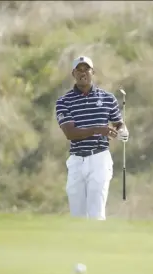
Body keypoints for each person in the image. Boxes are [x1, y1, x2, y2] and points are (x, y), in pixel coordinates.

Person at [55, 56, 129, 220]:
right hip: (76, 161)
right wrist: (98, 129)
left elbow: (118, 123)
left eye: (86, 69)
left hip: (99, 159)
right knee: (78, 216)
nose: (83, 73)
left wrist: (123, 131)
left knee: (96, 214)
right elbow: (70, 133)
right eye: (79, 70)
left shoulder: (108, 98)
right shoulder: (63, 102)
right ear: (73, 73)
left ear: (92, 72)